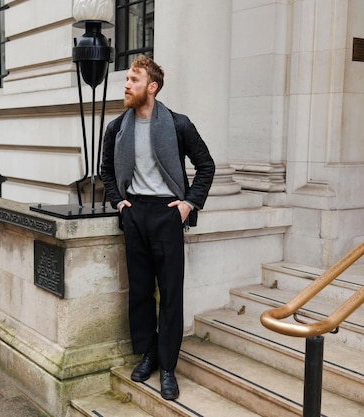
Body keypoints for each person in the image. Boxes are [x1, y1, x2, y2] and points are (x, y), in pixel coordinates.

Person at [100, 55, 215, 401]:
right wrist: (119, 202)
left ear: (152, 87)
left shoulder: (178, 124)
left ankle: (167, 366)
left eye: (134, 80)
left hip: (167, 214)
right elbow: (106, 170)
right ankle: (148, 354)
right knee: (139, 292)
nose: (126, 85)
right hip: (135, 212)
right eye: (127, 80)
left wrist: (187, 204)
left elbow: (206, 166)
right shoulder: (118, 127)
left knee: (169, 293)